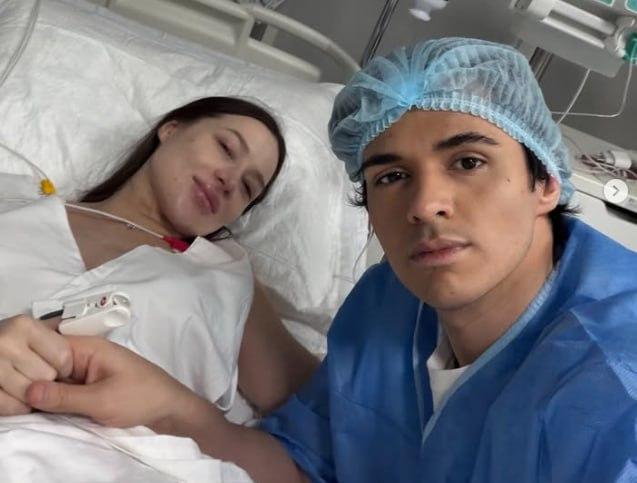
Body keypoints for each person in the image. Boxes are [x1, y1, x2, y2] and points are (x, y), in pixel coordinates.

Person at [22, 38, 637, 483]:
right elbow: (307, 464)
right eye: (391, 176)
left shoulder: (615, 385)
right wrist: (166, 406)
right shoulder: (385, 307)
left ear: (545, 181)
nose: (426, 204)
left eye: (468, 162)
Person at [0, 96, 318, 420]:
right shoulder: (13, 202)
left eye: (248, 188)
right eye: (226, 147)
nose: (230, 181)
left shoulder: (226, 279)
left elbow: (327, 409)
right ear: (171, 129)